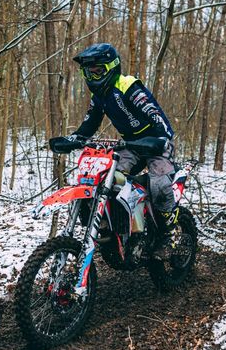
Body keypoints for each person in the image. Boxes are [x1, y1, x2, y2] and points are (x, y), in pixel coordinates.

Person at [53, 43, 178, 260]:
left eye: (97, 71)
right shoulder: (99, 96)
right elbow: (88, 126)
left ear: (111, 67)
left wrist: (160, 138)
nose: (92, 77)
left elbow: (156, 116)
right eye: (88, 72)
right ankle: (114, 229)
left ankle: (169, 234)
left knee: (159, 183)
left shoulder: (128, 86)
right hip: (130, 145)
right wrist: (72, 140)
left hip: (156, 142)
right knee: (105, 179)